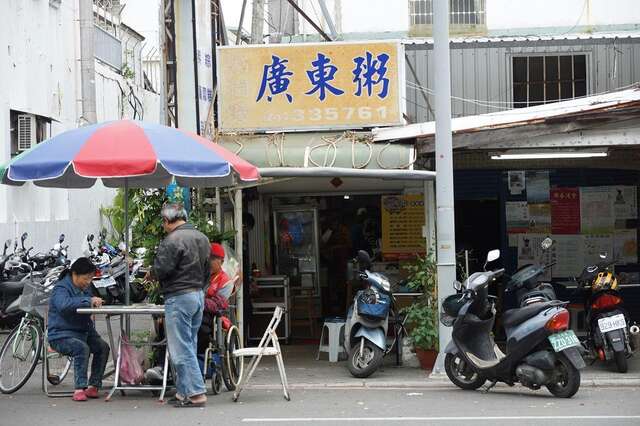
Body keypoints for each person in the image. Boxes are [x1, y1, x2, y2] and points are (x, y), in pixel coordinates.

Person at [152, 203, 210, 408]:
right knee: (189, 344)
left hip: (179, 296)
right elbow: (207, 271)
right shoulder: (202, 237)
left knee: (181, 347)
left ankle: (196, 393)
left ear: (167, 221)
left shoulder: (172, 240)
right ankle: (183, 392)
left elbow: (161, 270)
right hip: (197, 296)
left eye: (163, 222)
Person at [48, 257, 109, 402]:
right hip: (60, 335)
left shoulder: (86, 288)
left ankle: (94, 385)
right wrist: (88, 301)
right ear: (74, 274)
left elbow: (91, 299)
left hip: (84, 331)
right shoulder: (61, 288)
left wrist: (95, 301)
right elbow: (63, 305)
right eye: (86, 278)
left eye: (90, 278)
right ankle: (79, 388)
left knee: (103, 347)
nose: (88, 282)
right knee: (81, 348)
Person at [197, 243, 233, 374]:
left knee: (199, 325)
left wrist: (198, 301)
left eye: (213, 258)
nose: (209, 261)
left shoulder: (225, 281)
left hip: (210, 317)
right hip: (194, 310)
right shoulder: (199, 275)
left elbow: (219, 304)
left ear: (221, 261)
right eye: (207, 258)